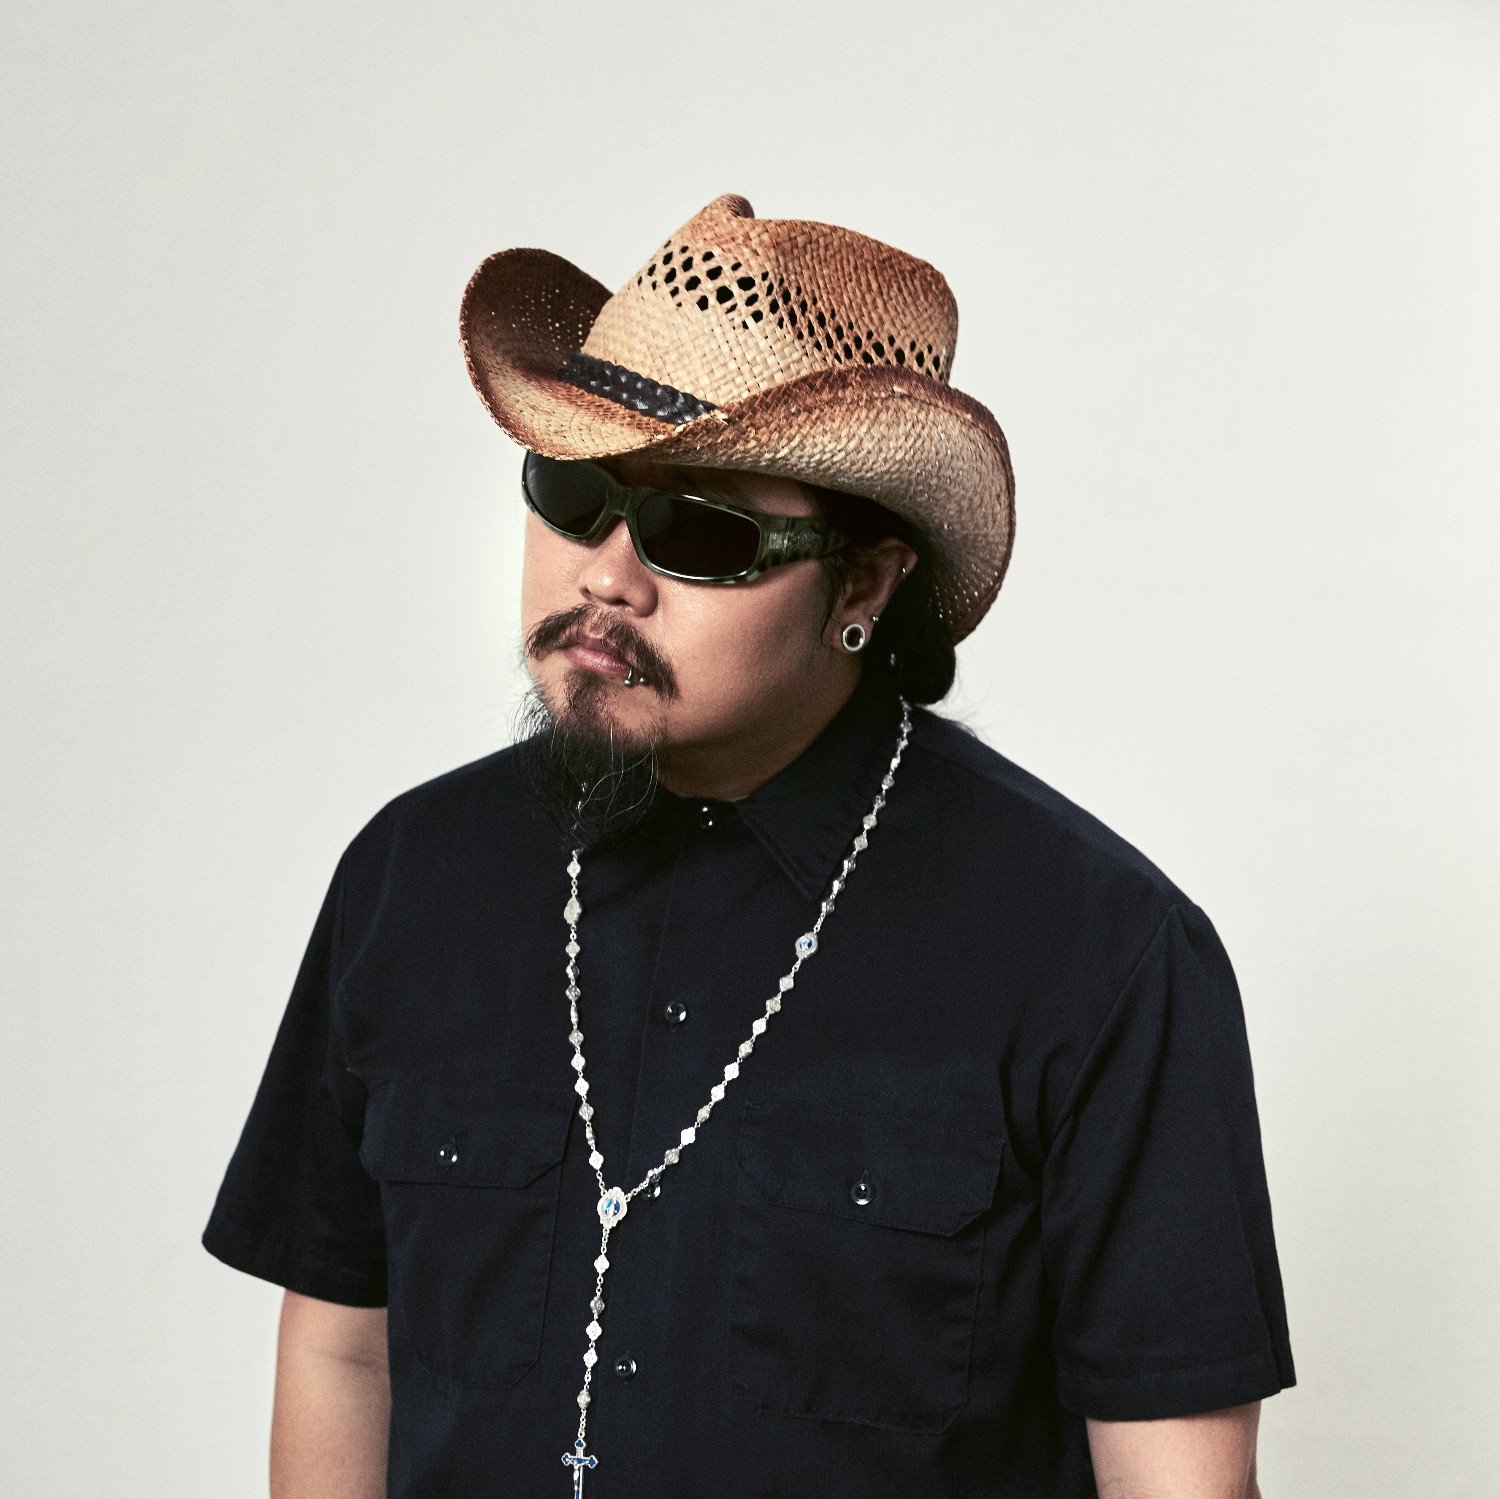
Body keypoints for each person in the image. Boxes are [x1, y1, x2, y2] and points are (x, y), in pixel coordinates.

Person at [204, 193, 1294, 1498]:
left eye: (699, 532)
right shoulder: (410, 876)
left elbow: (1174, 1474)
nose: (606, 577)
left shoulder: (1095, 951)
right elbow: (345, 1351)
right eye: (574, 491)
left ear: (865, 582)